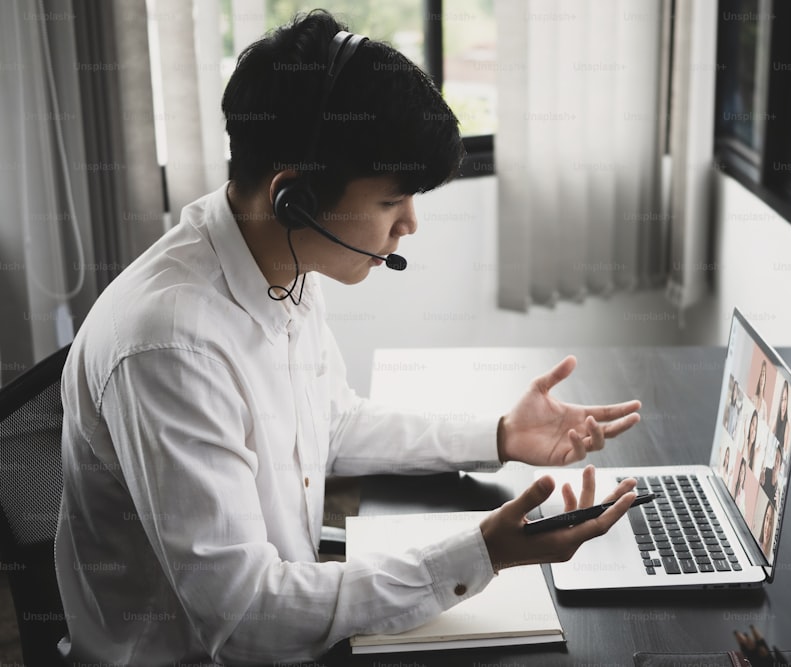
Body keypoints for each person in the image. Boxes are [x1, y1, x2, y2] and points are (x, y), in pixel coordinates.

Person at [54, 11, 642, 666]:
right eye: (393, 202)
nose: (410, 224)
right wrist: (484, 552)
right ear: (293, 198)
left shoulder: (284, 262)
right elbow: (248, 617)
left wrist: (499, 434)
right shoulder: (170, 346)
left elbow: (331, 423)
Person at [772, 379, 790, 453]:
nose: (783, 404)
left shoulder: (787, 425)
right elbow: (769, 435)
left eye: (785, 399)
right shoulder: (777, 418)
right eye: (782, 399)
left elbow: (784, 451)